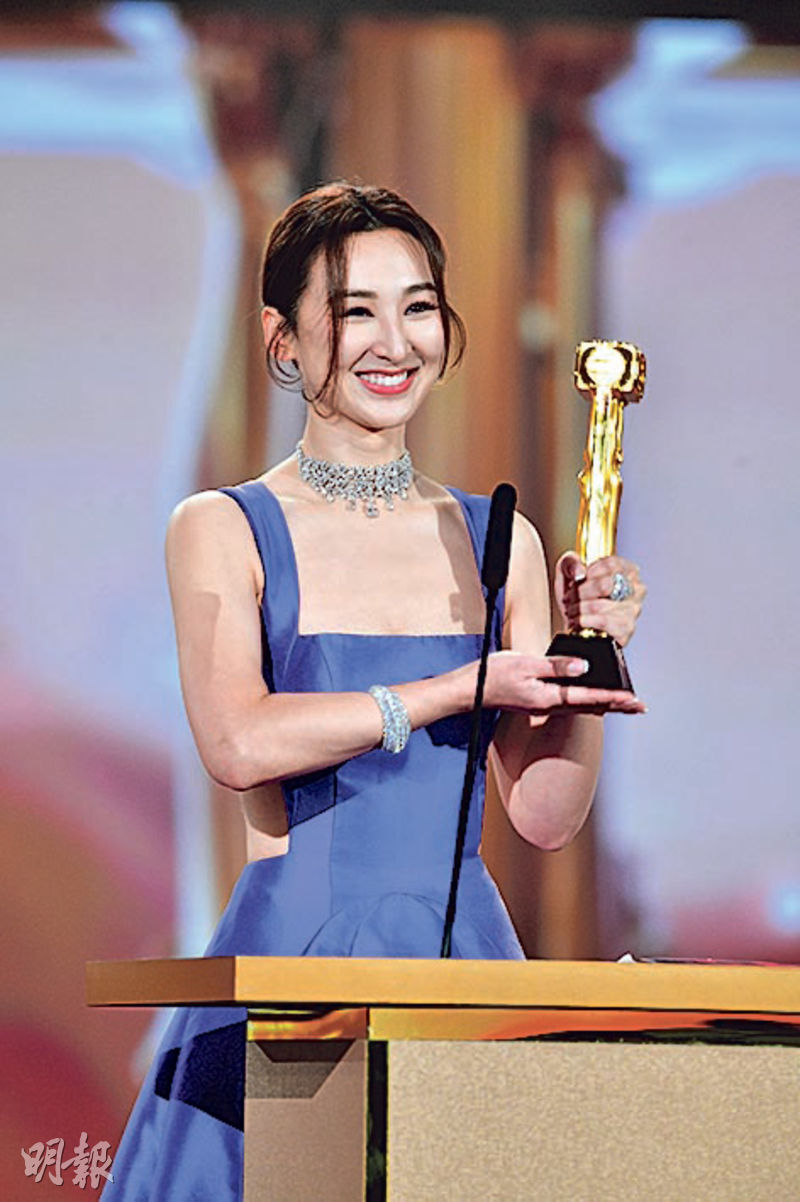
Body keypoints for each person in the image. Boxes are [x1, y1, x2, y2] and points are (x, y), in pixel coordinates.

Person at [104, 182, 645, 1200]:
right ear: (284, 337)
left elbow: (542, 814)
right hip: (295, 961)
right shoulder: (222, 525)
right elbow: (238, 743)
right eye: (356, 310)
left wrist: (591, 662)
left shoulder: (499, 539)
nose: (394, 342)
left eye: (418, 306)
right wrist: (448, 691)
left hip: (461, 958)